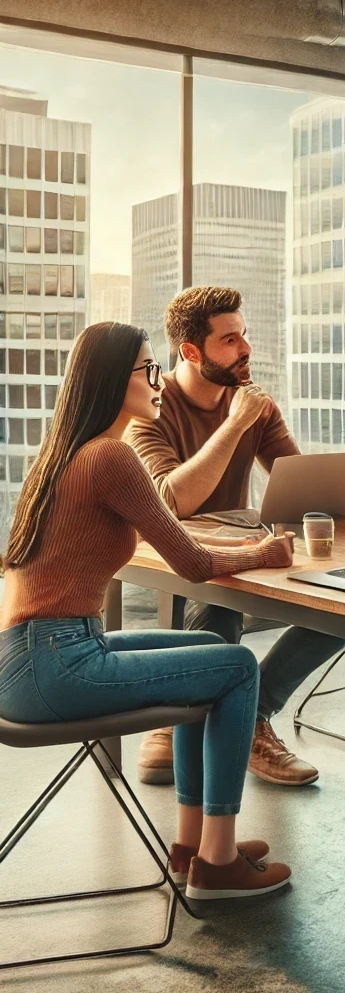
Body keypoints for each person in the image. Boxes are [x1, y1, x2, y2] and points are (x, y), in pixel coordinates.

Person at [0, 322, 295, 899]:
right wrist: (260, 551)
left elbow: (168, 542)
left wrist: (247, 550)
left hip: (33, 658)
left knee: (209, 654)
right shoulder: (112, 455)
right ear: (116, 380)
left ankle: (193, 847)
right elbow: (187, 560)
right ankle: (218, 861)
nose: (158, 381)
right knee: (237, 666)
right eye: (147, 369)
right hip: (55, 665)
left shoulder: (69, 453)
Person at [127, 286, 345, 788]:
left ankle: (248, 718)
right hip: (173, 564)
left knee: (344, 606)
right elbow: (171, 501)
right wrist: (235, 424)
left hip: (246, 551)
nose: (245, 348)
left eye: (244, 335)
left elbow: (297, 484)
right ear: (190, 351)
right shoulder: (150, 409)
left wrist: (335, 491)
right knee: (220, 606)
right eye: (229, 340)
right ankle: (185, 716)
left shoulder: (253, 404)